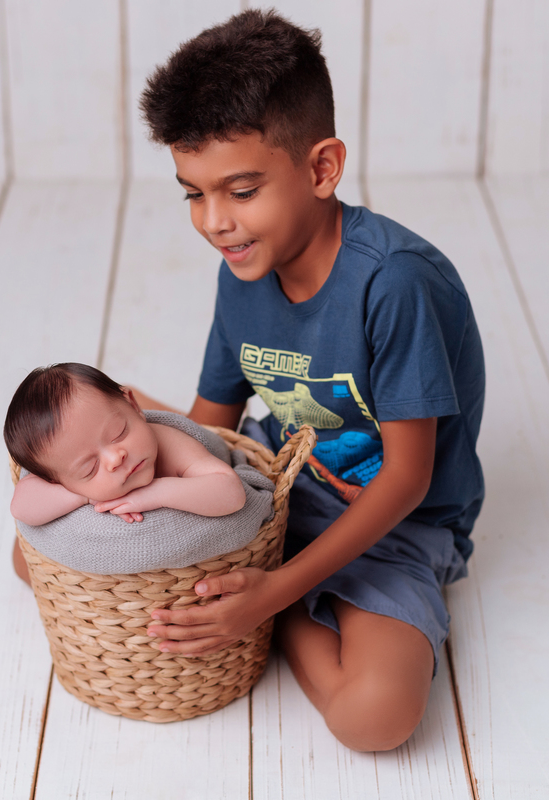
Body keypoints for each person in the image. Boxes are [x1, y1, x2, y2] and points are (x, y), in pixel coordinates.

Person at [130, 9, 486, 752]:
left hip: (393, 524)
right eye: (193, 193)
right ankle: (260, 573)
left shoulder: (394, 284)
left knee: (375, 717)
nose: (214, 222)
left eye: (241, 190)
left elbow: (408, 480)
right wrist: (148, 480)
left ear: (322, 168)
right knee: (45, 554)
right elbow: (216, 429)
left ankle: (283, 612)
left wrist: (271, 594)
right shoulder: (242, 269)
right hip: (275, 477)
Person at [4, 363, 246, 581]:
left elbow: (231, 492)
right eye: (90, 468)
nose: (115, 458)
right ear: (56, 481)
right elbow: (21, 508)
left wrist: (158, 492)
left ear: (133, 405)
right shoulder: (69, 479)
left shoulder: (171, 444)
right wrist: (84, 495)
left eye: (118, 433)